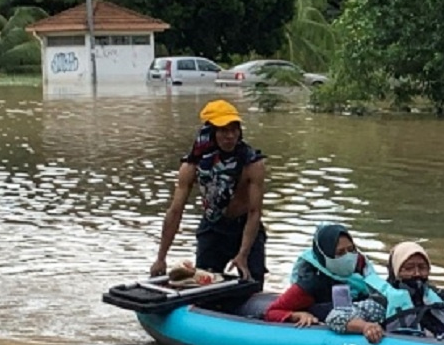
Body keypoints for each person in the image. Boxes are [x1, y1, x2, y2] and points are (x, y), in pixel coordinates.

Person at [150, 100, 267, 281]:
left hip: (245, 228)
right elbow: (175, 211)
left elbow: (254, 212)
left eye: (234, 129)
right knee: (206, 282)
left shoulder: (252, 163)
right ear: (211, 133)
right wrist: (161, 258)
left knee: (252, 281)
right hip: (213, 227)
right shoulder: (192, 166)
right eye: (223, 130)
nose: (230, 136)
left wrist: (243, 253)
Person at [264, 222, 387, 327]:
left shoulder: (362, 270)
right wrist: (297, 315)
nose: (348, 257)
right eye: (340, 253)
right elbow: (272, 311)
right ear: (324, 255)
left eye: (351, 250)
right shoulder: (312, 283)